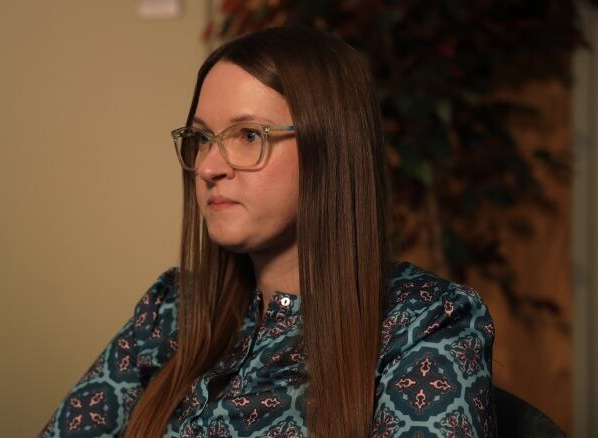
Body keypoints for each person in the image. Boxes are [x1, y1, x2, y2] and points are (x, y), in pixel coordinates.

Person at [40, 26, 496, 437]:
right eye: (201, 138)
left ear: (329, 149)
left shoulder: (428, 324)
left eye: (248, 135)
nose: (208, 167)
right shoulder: (171, 309)